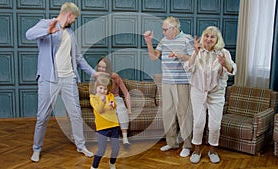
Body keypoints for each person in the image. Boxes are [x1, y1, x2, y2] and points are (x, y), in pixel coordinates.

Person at [26, 2, 102, 162]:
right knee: (43, 117)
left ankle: (81, 146)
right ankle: (36, 149)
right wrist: (48, 31)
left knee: (75, 114)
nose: (74, 21)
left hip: (69, 79)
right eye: (74, 18)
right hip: (49, 80)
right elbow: (29, 34)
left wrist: (94, 73)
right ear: (69, 14)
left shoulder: (70, 33)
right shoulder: (46, 24)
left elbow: (78, 58)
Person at [183, 26, 237, 164]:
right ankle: (196, 150)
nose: (208, 39)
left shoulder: (223, 53)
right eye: (206, 36)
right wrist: (195, 53)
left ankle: (212, 151)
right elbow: (188, 68)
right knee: (199, 123)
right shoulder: (197, 51)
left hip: (216, 93)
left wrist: (225, 63)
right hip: (198, 92)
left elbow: (232, 70)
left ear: (217, 39)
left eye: (212, 37)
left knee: (214, 125)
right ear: (203, 37)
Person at [143, 16, 194, 157]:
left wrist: (180, 55)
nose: (163, 32)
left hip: (182, 82)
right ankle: (172, 143)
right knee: (168, 113)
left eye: (165, 29)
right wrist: (148, 43)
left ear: (174, 28)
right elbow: (154, 57)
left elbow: (194, 59)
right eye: (163, 30)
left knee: (183, 114)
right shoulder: (164, 41)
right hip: (167, 82)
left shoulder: (187, 39)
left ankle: (187, 145)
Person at [96, 57, 132, 145]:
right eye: (99, 67)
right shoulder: (97, 77)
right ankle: (108, 136)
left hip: (115, 99)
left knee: (121, 112)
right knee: (107, 113)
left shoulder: (115, 76)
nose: (101, 69)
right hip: (104, 99)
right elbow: (95, 93)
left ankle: (125, 139)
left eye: (103, 67)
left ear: (108, 68)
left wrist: (129, 108)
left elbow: (126, 93)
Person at [90, 75, 120, 169]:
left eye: (105, 89)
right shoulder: (93, 98)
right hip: (102, 127)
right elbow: (99, 110)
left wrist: (111, 104)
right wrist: (103, 102)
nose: (102, 91)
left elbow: (113, 105)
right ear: (96, 87)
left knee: (116, 148)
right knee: (101, 150)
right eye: (100, 88)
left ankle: (112, 163)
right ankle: (94, 167)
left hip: (114, 125)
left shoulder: (110, 95)